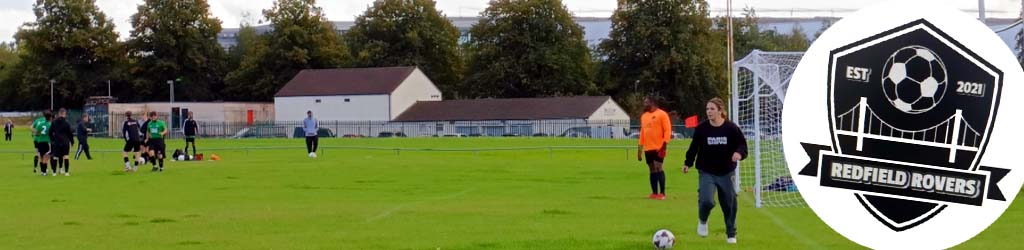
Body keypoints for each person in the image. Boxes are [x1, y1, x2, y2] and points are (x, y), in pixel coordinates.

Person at [682, 97, 748, 244]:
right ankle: (703, 220)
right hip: (707, 171)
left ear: (720, 111)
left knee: (729, 203)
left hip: (726, 172)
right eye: (707, 109)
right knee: (707, 201)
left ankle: (731, 233)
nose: (709, 112)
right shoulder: (702, 129)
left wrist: (739, 153)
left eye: (712, 109)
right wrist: (688, 163)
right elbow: (694, 148)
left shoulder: (731, 128)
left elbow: (742, 146)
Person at [637, 96, 672, 200]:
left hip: (659, 147)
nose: (644, 104)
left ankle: (662, 193)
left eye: (646, 102)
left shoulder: (662, 114)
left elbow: (667, 130)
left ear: (652, 103)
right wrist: (639, 149)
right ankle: (654, 193)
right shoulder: (644, 116)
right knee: (652, 169)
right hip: (648, 148)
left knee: (658, 167)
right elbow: (642, 133)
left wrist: (665, 144)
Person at [48, 109, 74, 176]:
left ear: (59, 114)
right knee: (66, 156)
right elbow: (70, 134)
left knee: (55, 157)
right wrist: (72, 141)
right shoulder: (67, 123)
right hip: (65, 142)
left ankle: (54, 172)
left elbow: (50, 132)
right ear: (64, 114)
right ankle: (66, 172)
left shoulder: (54, 122)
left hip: (57, 142)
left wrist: (53, 140)